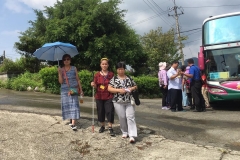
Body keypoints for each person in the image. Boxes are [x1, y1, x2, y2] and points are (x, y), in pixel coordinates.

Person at [108, 62, 138, 143]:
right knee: (122, 117)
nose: (120, 71)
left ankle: (132, 135)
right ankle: (125, 132)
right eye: (119, 69)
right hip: (118, 101)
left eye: (122, 69)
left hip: (129, 100)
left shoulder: (129, 78)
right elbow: (109, 88)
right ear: (117, 70)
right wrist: (118, 90)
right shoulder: (114, 79)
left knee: (130, 117)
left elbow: (135, 86)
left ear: (124, 69)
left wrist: (131, 89)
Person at [58, 54, 83, 130]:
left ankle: (73, 124)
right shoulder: (61, 69)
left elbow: (78, 79)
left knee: (74, 105)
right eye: (64, 59)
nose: (66, 60)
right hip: (64, 90)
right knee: (68, 105)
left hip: (73, 89)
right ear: (63, 61)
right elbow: (61, 82)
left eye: (68, 59)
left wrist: (81, 89)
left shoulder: (74, 68)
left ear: (70, 60)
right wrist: (59, 73)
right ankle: (71, 120)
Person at [90, 58, 115, 136]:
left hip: (109, 95)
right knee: (100, 111)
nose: (104, 65)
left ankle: (110, 126)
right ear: (100, 65)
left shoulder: (111, 74)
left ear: (108, 65)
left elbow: (114, 84)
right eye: (103, 64)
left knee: (110, 111)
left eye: (106, 64)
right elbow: (95, 85)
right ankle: (102, 125)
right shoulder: (97, 74)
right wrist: (93, 84)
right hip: (99, 96)